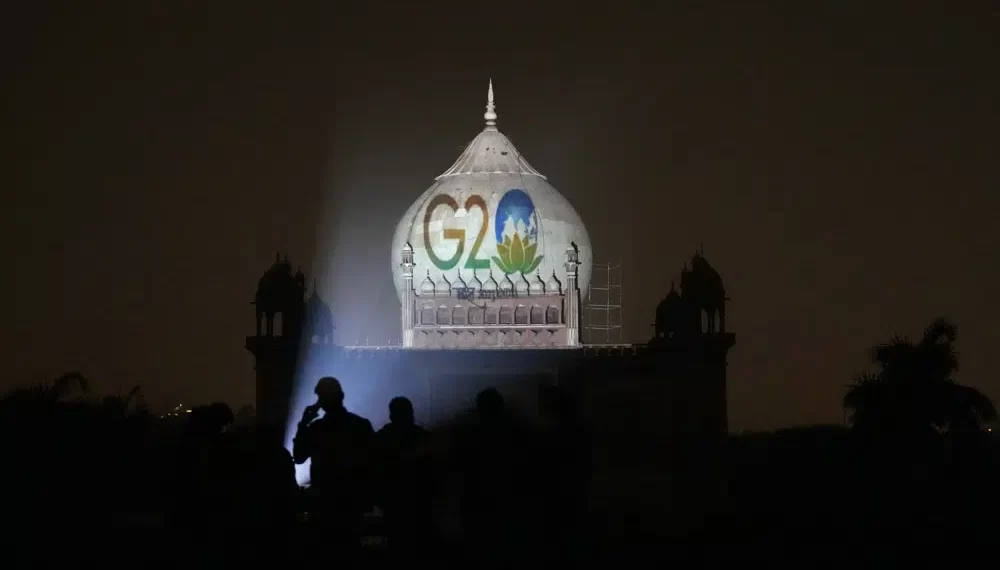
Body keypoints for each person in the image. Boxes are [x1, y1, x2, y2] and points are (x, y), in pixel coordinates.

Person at [293, 377, 375, 541]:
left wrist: (304, 424)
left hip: (325, 503)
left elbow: (299, 457)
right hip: (349, 503)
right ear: (341, 396)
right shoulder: (360, 425)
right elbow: (373, 462)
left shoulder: (317, 429)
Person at [376, 397, 431, 557]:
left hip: (394, 505)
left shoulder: (381, 438)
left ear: (391, 415)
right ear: (410, 413)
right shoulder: (423, 437)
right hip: (420, 505)